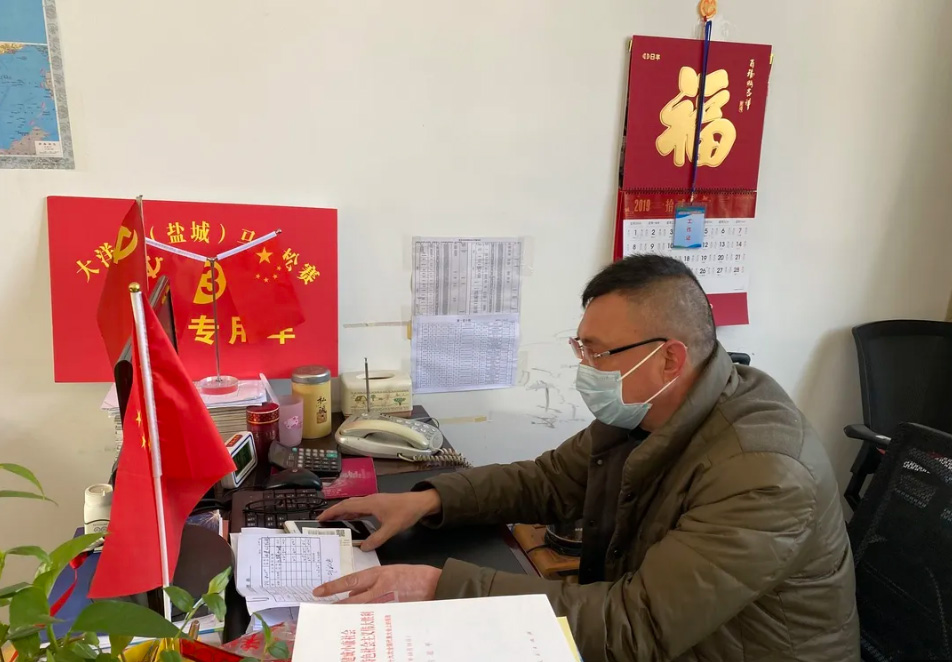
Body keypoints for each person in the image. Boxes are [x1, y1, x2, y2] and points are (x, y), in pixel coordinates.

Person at [314, 254, 859, 661]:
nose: (585, 368)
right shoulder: (642, 411)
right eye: (581, 348)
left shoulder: (765, 473)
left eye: (597, 351)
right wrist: (429, 499)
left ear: (669, 359)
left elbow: (635, 627)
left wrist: (439, 588)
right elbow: (549, 481)